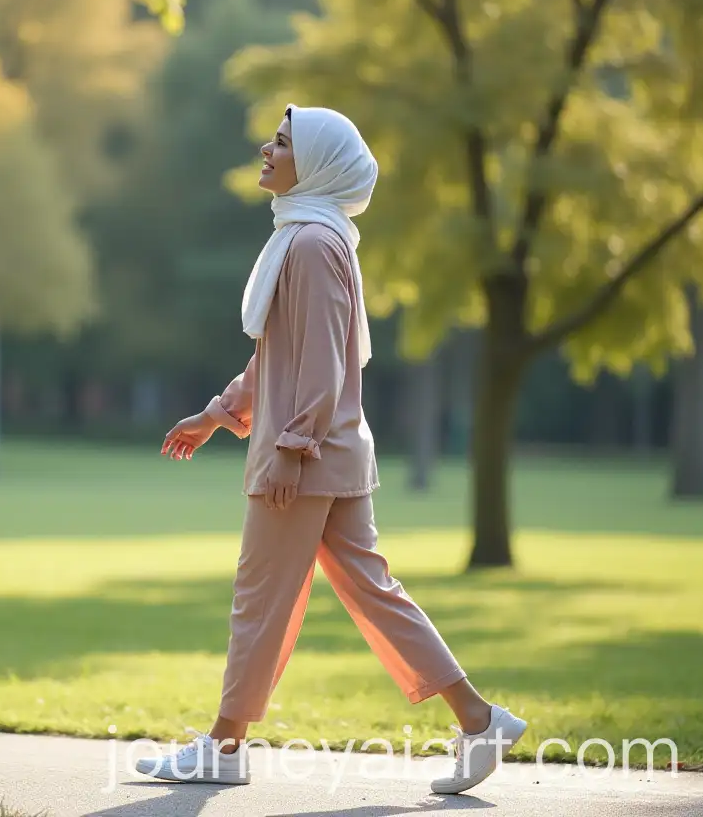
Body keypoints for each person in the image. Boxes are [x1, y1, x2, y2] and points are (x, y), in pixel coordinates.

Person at [135, 105, 527, 795]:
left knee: (261, 598)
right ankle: (478, 718)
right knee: (373, 593)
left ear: (313, 165)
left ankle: (223, 747)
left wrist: (291, 446)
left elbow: (321, 363)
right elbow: (279, 355)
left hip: (307, 461)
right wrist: (220, 413)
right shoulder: (311, 238)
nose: (265, 148)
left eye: (281, 143)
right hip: (331, 454)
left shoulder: (312, 244)